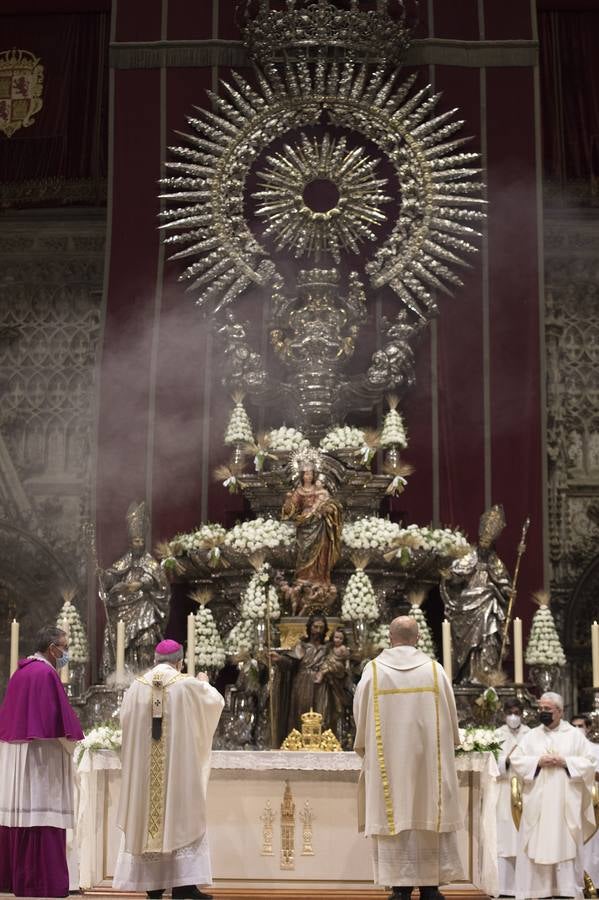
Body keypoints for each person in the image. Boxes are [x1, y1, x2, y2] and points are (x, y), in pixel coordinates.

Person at [353, 616, 464, 900]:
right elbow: (452, 722)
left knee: (396, 812)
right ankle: (430, 886)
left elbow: (360, 716)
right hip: (429, 769)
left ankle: (400, 887)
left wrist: (367, 745)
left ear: (390, 638)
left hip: (388, 765)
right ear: (417, 638)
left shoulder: (374, 671)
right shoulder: (435, 671)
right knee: (428, 807)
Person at [113, 639, 224, 900]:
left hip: (145, 775)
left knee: (148, 821)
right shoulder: (187, 684)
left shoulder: (136, 687)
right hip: (179, 773)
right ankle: (184, 887)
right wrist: (204, 681)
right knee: (181, 816)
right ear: (180, 661)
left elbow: (124, 723)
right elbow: (215, 703)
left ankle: (154, 887)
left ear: (155, 659)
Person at [0, 624, 84, 898]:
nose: (66, 653)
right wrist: (72, 745)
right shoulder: (47, 673)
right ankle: (44, 882)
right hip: (43, 761)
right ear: (52, 648)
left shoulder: (20, 673)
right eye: (65, 647)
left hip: (18, 756)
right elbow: (57, 725)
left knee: (24, 815)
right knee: (44, 813)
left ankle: (19, 880)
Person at [510, 692, 596, 900]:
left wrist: (565, 762)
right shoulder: (531, 735)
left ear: (560, 711)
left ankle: (566, 891)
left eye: (548, 710)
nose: (543, 713)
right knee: (535, 844)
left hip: (565, 803)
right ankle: (536, 891)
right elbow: (516, 760)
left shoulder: (574, 735)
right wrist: (538, 762)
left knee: (565, 843)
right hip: (537, 802)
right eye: (541, 709)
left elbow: (590, 762)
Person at [440, 504, 512, 683]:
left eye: (489, 541)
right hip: (466, 607)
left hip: (489, 606)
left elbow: (504, 583)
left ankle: (485, 675)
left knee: (489, 638)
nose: (485, 544)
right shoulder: (468, 557)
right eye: (483, 540)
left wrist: (507, 591)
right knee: (468, 646)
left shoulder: (496, 563)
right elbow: (455, 575)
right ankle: (468, 675)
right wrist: (451, 577)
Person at [101, 501, 169, 677]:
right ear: (130, 542)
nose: (138, 543)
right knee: (120, 638)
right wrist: (106, 576)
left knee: (146, 638)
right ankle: (124, 677)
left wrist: (142, 583)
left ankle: (146, 675)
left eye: (140, 540)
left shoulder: (151, 563)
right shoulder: (125, 561)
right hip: (124, 608)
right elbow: (113, 574)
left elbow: (159, 581)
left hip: (144, 607)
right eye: (135, 540)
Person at [270, 613, 347, 743]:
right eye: (315, 627)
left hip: (322, 684)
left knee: (323, 713)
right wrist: (279, 659)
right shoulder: (301, 646)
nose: (318, 631)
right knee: (301, 712)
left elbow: (339, 665)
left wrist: (327, 670)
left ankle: (322, 742)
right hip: (302, 683)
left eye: (321, 627)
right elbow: (290, 663)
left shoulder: (328, 648)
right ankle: (300, 742)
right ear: (309, 628)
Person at [281, 453, 343, 614]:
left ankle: (320, 579)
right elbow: (290, 510)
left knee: (321, 552)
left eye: (310, 473)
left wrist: (327, 510)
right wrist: (288, 501)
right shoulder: (298, 491)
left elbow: (332, 505)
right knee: (304, 553)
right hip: (304, 526)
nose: (307, 476)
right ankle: (303, 580)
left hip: (320, 525)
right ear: (301, 475)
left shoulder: (321, 490)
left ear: (314, 474)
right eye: (305, 473)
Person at [494, 699, 530, 896]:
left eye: (517, 712)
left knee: (523, 836)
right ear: (504, 714)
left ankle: (523, 886)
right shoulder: (497, 734)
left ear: (522, 713)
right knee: (505, 838)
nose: (513, 716)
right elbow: (493, 764)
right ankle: (505, 886)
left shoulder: (531, 734)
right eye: (510, 712)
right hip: (505, 788)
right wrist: (507, 760)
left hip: (525, 789)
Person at [571, 714, 599, 887]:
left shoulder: (596, 748)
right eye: (573, 726)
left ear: (588, 728)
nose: (577, 730)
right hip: (574, 798)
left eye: (580, 726)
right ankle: (576, 882)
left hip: (594, 799)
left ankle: (594, 882)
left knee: (593, 845)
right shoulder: (568, 749)